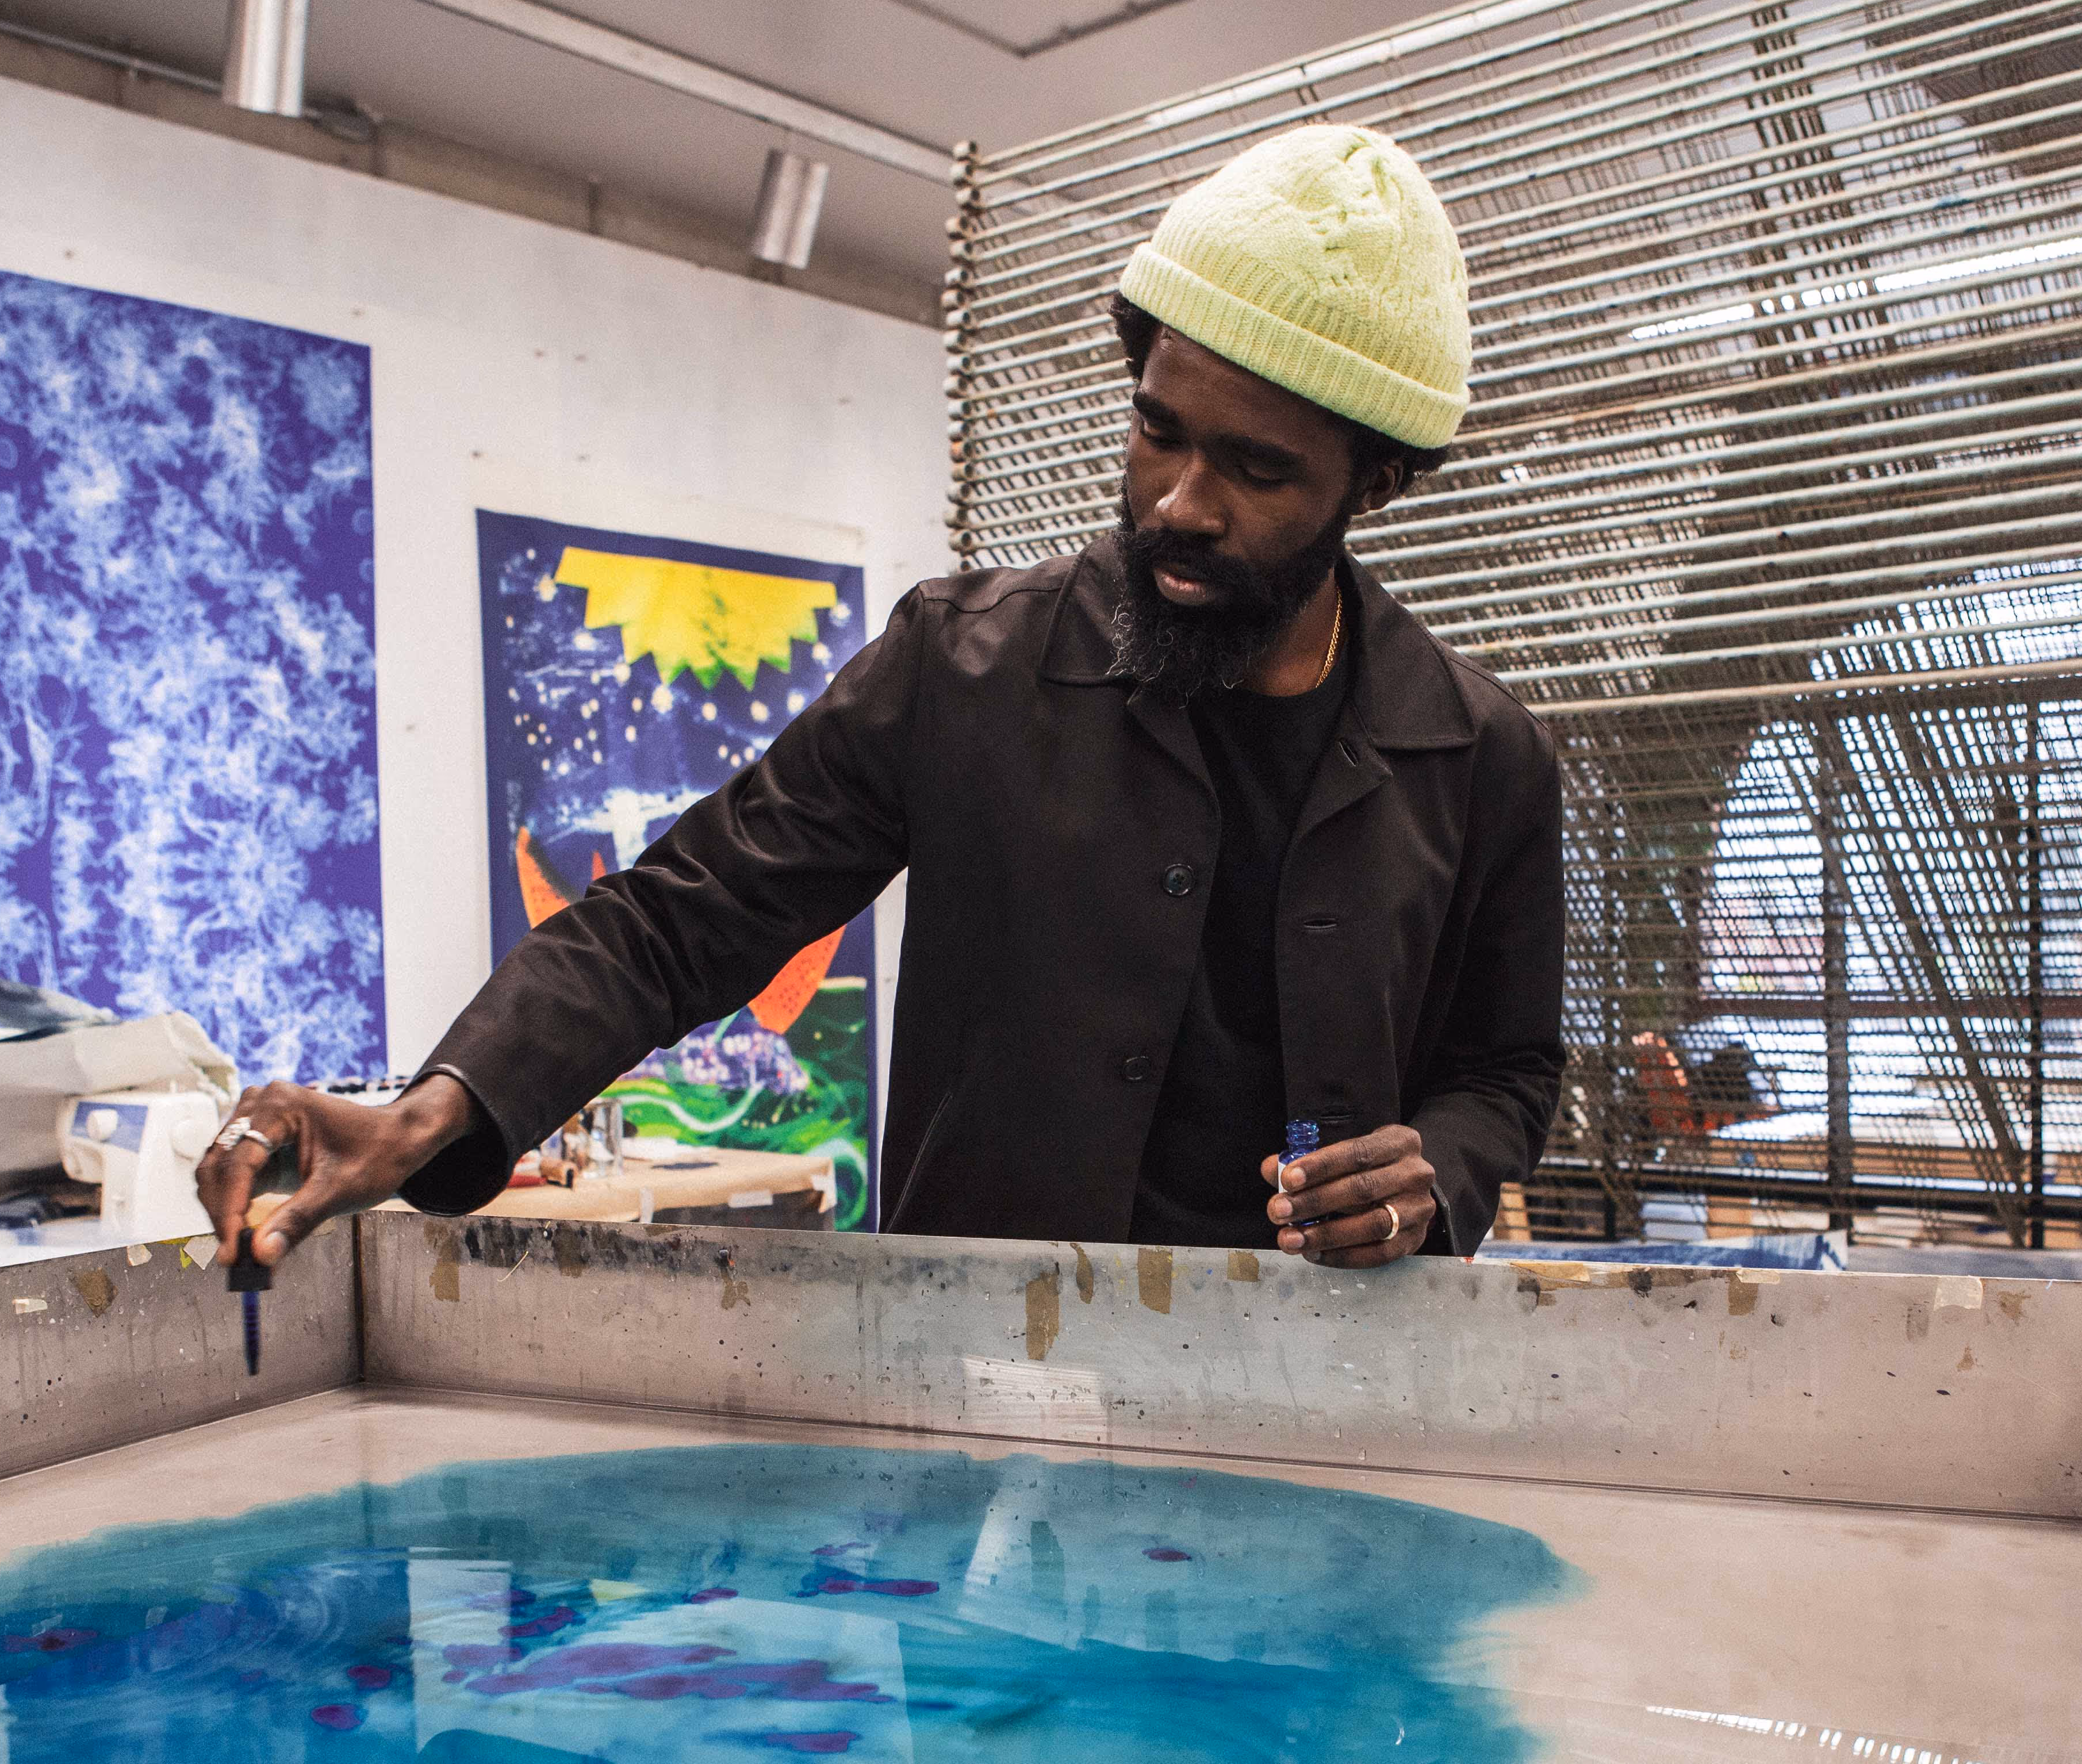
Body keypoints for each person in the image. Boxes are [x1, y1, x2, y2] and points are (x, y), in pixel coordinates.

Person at [199, 125, 1565, 1272]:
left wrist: (1435, 1174)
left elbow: (1506, 1074)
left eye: (1256, 473)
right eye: (1157, 431)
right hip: (986, 1410)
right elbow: (684, 916)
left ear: (1374, 487)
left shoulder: (1482, 758)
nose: (1178, 504)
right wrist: (442, 1108)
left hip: (1318, 1423)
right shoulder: (962, 666)